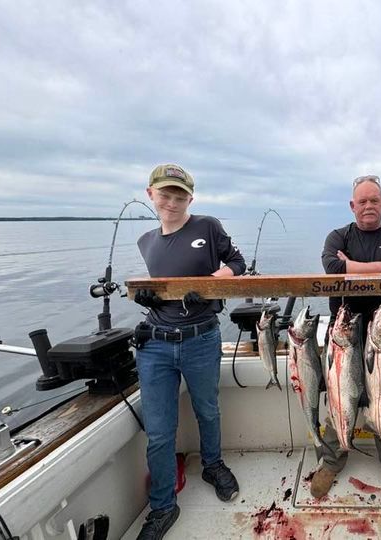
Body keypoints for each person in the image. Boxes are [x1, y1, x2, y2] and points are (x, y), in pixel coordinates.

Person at [132, 164, 246, 540]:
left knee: (207, 410)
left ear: (190, 199)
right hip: (155, 345)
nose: (171, 202)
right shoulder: (145, 241)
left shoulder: (207, 227)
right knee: (159, 431)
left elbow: (237, 264)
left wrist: (209, 284)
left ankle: (213, 465)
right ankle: (163, 506)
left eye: (179, 196)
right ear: (150, 194)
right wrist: (147, 297)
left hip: (201, 338)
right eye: (165, 194)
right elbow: (155, 288)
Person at [315, 174, 381, 502]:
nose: (368, 206)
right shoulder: (338, 236)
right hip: (344, 337)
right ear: (352, 205)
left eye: (374, 200)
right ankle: (332, 460)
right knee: (339, 399)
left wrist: (354, 266)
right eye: (362, 201)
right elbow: (333, 269)